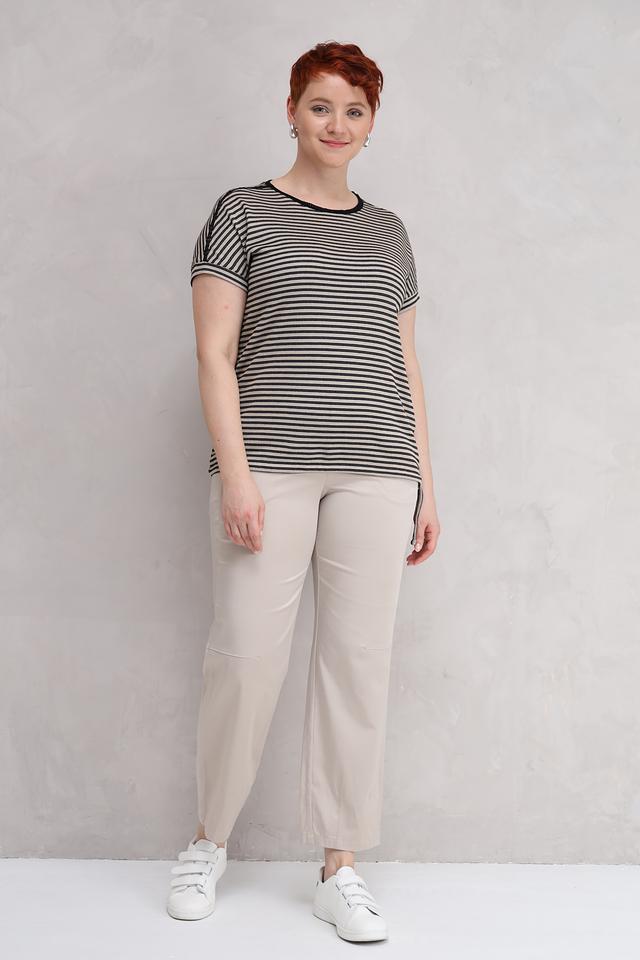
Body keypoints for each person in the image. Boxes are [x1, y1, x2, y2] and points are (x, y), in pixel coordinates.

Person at [167, 40, 440, 941]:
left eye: (354, 111)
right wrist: (236, 474)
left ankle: (340, 867)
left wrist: (425, 486)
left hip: (378, 468)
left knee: (357, 665)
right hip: (271, 468)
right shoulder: (241, 213)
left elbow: (403, 365)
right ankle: (209, 841)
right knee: (245, 659)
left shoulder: (389, 233)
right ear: (291, 111)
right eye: (321, 106)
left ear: (371, 124)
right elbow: (213, 354)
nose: (337, 124)